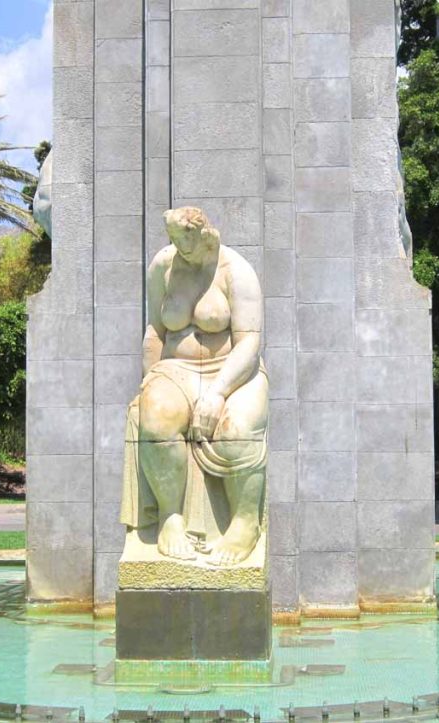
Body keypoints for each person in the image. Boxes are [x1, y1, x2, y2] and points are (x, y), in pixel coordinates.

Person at [121, 207, 268, 567]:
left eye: (187, 244)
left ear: (206, 237)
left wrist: (217, 392)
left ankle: (244, 523)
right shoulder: (164, 265)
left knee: (236, 430)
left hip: (233, 372)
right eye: (174, 243)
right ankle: (171, 517)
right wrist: (149, 380)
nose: (179, 251)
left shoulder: (237, 270)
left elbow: (249, 344)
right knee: (155, 417)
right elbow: (156, 330)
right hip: (176, 368)